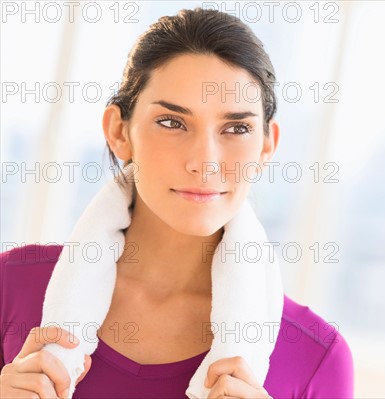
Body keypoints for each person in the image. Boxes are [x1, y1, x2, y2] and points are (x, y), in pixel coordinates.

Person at [0, 7, 354, 399]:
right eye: (172, 122)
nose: (204, 161)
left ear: (267, 145)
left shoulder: (316, 359)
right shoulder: (11, 287)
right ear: (120, 132)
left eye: (236, 128)